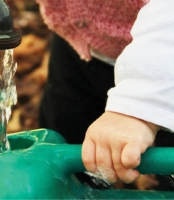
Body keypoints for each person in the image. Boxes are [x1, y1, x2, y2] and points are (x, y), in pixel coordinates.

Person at [0, 1, 174, 186]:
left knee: (162, 161)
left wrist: (139, 106)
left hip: (163, 70)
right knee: (65, 138)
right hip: (80, 50)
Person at [35, 0, 174, 186]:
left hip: (164, 56)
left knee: (168, 159)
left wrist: (139, 103)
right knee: (66, 135)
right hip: (80, 43)